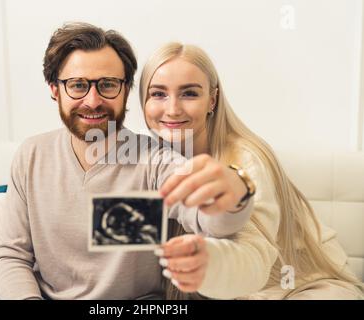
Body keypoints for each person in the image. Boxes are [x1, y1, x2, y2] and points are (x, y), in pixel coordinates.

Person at [0, 23, 255, 300]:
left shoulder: (154, 161)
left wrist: (237, 192)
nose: (93, 101)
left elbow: (213, 221)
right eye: (78, 85)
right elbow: (11, 255)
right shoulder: (31, 156)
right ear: (55, 89)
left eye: (107, 85)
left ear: (126, 90)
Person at [140, 42, 364, 299]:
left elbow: (252, 254)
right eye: (158, 94)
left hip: (303, 286)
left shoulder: (245, 158)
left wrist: (206, 264)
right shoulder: (151, 162)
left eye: (189, 94)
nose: (172, 109)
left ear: (212, 100)